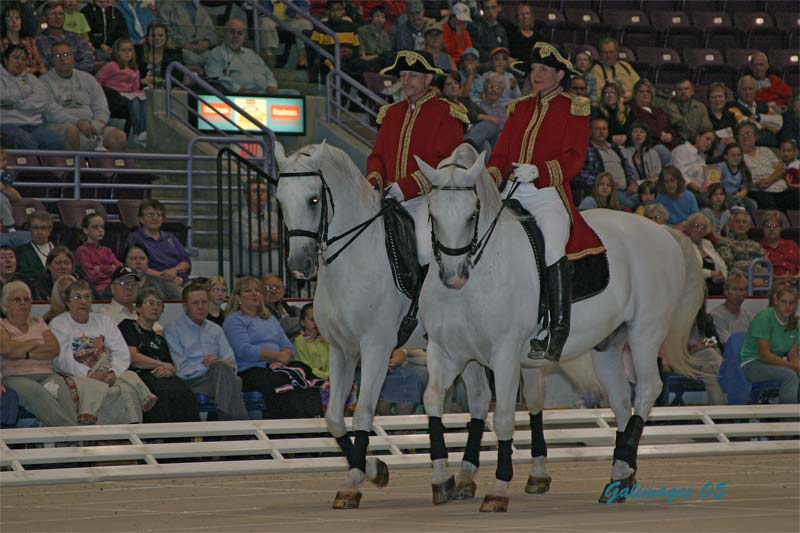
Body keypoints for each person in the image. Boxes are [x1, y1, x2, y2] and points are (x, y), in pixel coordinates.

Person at [487, 41, 600, 363]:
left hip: (547, 193)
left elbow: (574, 158)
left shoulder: (574, 107)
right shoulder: (519, 107)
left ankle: (556, 327)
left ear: (560, 74)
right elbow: (500, 154)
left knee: (552, 245)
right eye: (534, 69)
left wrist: (538, 171)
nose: (536, 75)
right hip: (510, 189)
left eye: (543, 69)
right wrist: (493, 175)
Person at [368, 50, 467, 261]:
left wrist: (405, 187)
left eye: (412, 75)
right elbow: (377, 155)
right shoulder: (391, 112)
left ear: (428, 78)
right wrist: (374, 180)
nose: (405, 81)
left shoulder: (446, 111)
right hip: (387, 197)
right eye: (402, 75)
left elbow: (445, 161)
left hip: (427, 198)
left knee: (424, 251)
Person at [50, 279, 153, 424]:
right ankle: (101, 437)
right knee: (104, 390)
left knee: (127, 386)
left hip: (106, 369)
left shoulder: (104, 321)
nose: (83, 301)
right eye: (77, 297)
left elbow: (121, 351)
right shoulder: (59, 323)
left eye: (87, 296)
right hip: (76, 373)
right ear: (67, 302)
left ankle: (129, 432)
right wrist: (89, 373)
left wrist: (113, 373)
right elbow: (61, 360)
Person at [223, 276, 323, 419]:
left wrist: (283, 358)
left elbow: (287, 345)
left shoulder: (269, 318)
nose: (254, 294)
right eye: (248, 291)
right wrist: (276, 356)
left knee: (304, 369)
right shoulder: (233, 320)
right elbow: (244, 350)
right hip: (251, 370)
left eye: (257, 290)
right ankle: (285, 427)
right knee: (280, 379)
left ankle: (312, 422)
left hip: (277, 365)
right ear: (238, 298)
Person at [164, 283, 248, 421]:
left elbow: (232, 364)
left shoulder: (216, 329)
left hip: (218, 377)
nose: (201, 307)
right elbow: (181, 369)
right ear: (185, 306)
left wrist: (217, 363)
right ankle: (237, 427)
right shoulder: (173, 330)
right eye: (195, 303)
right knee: (233, 381)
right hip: (191, 382)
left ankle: (229, 427)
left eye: (204, 302)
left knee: (224, 372)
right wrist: (207, 365)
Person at [0, 281, 77, 427]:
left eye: (26, 299)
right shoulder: (2, 325)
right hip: (15, 376)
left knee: (64, 395)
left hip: (47, 373)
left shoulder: (38, 322)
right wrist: (36, 342)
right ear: (5, 306)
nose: (23, 303)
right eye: (17, 300)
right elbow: (6, 350)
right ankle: (72, 436)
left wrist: (23, 351)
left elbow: (54, 349)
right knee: (38, 393)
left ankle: (68, 439)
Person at [119, 288, 200, 423]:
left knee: (184, 391)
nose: (155, 307)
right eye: (150, 303)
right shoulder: (128, 326)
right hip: (139, 375)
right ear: (138, 308)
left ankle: (186, 437)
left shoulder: (159, 338)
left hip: (161, 376)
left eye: (159, 304)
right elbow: (133, 358)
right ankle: (161, 436)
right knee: (165, 391)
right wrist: (162, 365)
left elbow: (172, 366)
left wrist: (168, 371)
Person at [42, 42, 128, 152]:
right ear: (52, 60)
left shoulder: (87, 78)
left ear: (72, 57)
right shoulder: (44, 82)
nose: (62, 59)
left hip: (90, 125)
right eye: (57, 56)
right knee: (72, 132)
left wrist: (98, 123)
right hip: (61, 125)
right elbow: (51, 112)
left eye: (65, 54)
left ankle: (107, 168)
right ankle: (75, 168)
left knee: (119, 137)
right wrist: (77, 122)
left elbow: (101, 106)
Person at [0, 45, 73, 150]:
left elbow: (42, 101)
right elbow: (3, 97)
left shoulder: (32, 79)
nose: (20, 62)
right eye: (16, 58)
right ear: (6, 60)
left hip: (32, 125)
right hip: (6, 125)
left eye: (23, 59)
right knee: (28, 143)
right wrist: (27, 94)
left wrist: (17, 104)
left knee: (58, 142)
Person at [739, 282, 798, 404]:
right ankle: (788, 420)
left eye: (791, 303)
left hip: (774, 363)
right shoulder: (764, 318)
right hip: (752, 364)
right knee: (790, 376)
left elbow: (793, 355)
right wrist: (795, 367)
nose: (788, 307)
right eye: (784, 301)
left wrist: (797, 366)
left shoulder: (796, 324)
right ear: (776, 300)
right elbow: (765, 355)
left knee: (795, 373)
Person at [205, 18, 282, 95]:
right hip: (239, 95)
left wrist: (272, 85)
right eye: (232, 32)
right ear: (225, 33)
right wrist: (238, 90)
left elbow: (268, 73)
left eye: (240, 33)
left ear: (244, 36)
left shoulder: (251, 53)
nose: (236, 36)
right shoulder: (217, 53)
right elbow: (215, 77)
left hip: (265, 93)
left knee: (292, 93)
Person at [125, 199, 191, 285]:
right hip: (153, 281)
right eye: (149, 215)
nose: (154, 218)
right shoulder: (135, 238)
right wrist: (164, 277)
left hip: (181, 280)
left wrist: (175, 270)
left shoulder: (170, 237)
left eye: (158, 215)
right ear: (141, 219)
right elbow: (134, 266)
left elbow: (186, 262)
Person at [95, 37, 147, 146]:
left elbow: (135, 87)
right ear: (117, 52)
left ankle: (143, 131)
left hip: (129, 94)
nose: (127, 53)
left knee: (143, 101)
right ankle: (137, 132)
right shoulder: (111, 66)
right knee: (135, 102)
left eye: (130, 50)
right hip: (115, 96)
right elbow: (97, 80)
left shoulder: (134, 69)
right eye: (123, 50)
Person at [576, 116, 637, 205]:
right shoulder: (586, 150)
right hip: (605, 193)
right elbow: (581, 175)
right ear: (590, 132)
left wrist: (632, 184)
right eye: (597, 129)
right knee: (630, 204)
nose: (601, 132)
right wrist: (607, 184)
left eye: (604, 129)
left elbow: (629, 170)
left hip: (627, 191)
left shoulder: (615, 148)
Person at [738, 121, 795, 211]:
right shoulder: (736, 155)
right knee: (768, 204)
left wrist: (770, 180)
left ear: (756, 137)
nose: (744, 136)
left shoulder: (765, 150)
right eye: (741, 134)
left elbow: (780, 168)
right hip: (757, 190)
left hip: (780, 187)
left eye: (748, 133)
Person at [231, 180, 280, 278]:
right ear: (246, 195)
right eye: (255, 191)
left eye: (263, 191)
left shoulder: (275, 217)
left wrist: (266, 236)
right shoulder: (239, 217)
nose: (260, 194)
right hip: (249, 279)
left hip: (275, 279)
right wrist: (278, 242)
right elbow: (254, 245)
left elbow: (286, 240)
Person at [681, 303, 727, 405]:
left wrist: (711, 343)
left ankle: (720, 414)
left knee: (709, 370)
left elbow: (716, 342)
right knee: (711, 354)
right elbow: (674, 353)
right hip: (683, 361)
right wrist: (696, 348)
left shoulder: (706, 319)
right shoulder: (675, 320)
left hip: (706, 361)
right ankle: (729, 377)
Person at [35, 1, 94, 72]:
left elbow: (88, 63)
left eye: (61, 14)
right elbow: (45, 68)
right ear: (44, 18)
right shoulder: (38, 41)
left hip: (79, 78)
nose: (58, 17)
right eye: (53, 14)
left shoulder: (76, 37)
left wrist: (65, 67)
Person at [628, 79, 675, 164]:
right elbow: (639, 127)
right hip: (649, 145)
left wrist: (670, 135)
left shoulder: (659, 111)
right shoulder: (633, 110)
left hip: (667, 143)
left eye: (648, 91)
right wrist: (659, 134)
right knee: (663, 151)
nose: (645, 94)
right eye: (641, 91)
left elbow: (670, 127)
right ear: (636, 94)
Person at [74, 213, 121, 298]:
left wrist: (101, 268)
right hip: (97, 291)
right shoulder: (82, 251)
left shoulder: (107, 250)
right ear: (85, 230)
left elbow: (120, 270)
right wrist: (111, 268)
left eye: (102, 227)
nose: (100, 230)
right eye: (95, 227)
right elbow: (92, 277)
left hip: (114, 286)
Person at [157, 0, 216, 68]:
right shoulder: (166, 7)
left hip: (205, 53)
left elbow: (212, 32)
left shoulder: (200, 9)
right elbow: (165, 32)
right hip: (180, 53)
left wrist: (207, 42)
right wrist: (185, 44)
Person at [729, 75, 782, 148]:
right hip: (747, 148)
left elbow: (778, 123)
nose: (747, 92)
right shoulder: (731, 108)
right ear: (739, 91)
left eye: (750, 89)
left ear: (755, 90)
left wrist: (758, 118)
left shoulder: (764, 106)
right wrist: (766, 123)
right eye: (744, 89)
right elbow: (745, 129)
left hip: (772, 146)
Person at [716, 206, 769, 277]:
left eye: (744, 222)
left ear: (748, 226)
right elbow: (730, 266)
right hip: (736, 282)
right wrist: (755, 271)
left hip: (759, 281)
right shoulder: (724, 243)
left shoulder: (756, 245)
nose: (741, 225)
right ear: (730, 225)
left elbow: (767, 265)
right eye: (737, 221)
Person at [671, 129, 716, 207]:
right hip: (683, 189)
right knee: (709, 200)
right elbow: (679, 174)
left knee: (725, 195)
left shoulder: (702, 157)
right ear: (698, 137)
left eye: (711, 142)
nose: (709, 143)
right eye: (707, 139)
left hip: (699, 189)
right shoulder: (683, 149)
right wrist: (697, 188)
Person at [686, 212, 727, 295]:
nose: (699, 229)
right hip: (694, 287)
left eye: (703, 227)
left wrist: (722, 275)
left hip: (715, 284)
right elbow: (689, 270)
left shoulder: (707, 243)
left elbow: (722, 264)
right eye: (696, 226)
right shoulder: (685, 244)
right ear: (690, 227)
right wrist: (710, 274)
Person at [0, 1, 46, 75]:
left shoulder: (30, 41)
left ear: (22, 21)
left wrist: (38, 70)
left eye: (17, 18)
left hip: (33, 80)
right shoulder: (1, 44)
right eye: (9, 19)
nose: (14, 21)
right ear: (4, 23)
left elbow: (40, 65)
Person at [589, 37, 639, 103]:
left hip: (633, 102)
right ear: (600, 54)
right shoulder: (596, 70)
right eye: (605, 52)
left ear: (617, 53)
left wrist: (630, 96)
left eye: (611, 52)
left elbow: (639, 86)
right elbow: (599, 96)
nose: (608, 55)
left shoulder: (625, 65)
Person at [14, 210, 56, 288]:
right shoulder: (21, 252)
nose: (39, 232)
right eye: (35, 228)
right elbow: (25, 275)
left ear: (50, 230)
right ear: (30, 229)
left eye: (43, 228)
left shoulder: (61, 249)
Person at [664, 79, 713, 145]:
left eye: (686, 89)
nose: (683, 91)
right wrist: (697, 139)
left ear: (692, 91)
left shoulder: (701, 106)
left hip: (699, 143)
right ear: (675, 92)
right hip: (678, 142)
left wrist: (705, 139)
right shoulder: (670, 104)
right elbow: (680, 125)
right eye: (679, 89)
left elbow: (707, 128)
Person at [710, 271, 753, 345]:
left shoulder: (749, 316)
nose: (739, 293)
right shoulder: (716, 316)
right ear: (726, 292)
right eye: (734, 289)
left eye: (742, 290)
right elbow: (728, 344)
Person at [136, 21, 183, 89]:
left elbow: (177, 80)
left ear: (166, 37)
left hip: (166, 93)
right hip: (140, 91)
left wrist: (161, 82)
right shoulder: (138, 53)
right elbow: (129, 78)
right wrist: (142, 81)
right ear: (147, 38)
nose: (157, 38)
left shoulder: (175, 54)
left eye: (160, 35)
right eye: (153, 35)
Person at [759, 210, 799, 282]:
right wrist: (779, 279)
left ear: (781, 228)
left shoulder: (791, 244)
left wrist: (797, 277)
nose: (771, 229)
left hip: (796, 283)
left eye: (775, 226)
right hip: (772, 285)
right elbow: (759, 273)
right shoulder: (758, 248)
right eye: (768, 226)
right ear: (763, 228)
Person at [718, 142, 758, 215]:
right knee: (737, 205)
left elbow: (745, 186)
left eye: (739, 155)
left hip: (736, 195)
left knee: (753, 205)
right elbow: (717, 186)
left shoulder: (743, 168)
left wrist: (741, 193)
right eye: (733, 155)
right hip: (723, 195)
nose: (736, 158)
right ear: (726, 156)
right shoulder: (721, 167)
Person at [260, 273, 300, 339]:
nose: (273, 291)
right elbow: (282, 328)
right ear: (261, 290)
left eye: (277, 287)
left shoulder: (292, 309)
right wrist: (304, 321)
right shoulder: (259, 310)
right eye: (268, 288)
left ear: (283, 290)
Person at [468, 0, 508, 65]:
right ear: (482, 9)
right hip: (483, 64)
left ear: (499, 8)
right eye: (487, 8)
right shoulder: (475, 27)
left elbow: (505, 49)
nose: (490, 12)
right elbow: (478, 52)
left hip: (499, 64)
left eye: (493, 7)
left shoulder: (501, 29)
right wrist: (497, 59)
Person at [357, 5, 392, 71]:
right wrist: (379, 57)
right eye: (376, 16)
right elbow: (362, 57)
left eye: (383, 17)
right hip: (366, 63)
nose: (379, 19)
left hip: (381, 63)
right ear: (371, 17)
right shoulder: (362, 31)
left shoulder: (385, 35)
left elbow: (388, 55)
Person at [593, 81, 628, 146]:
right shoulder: (597, 112)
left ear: (618, 96)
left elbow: (632, 129)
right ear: (602, 97)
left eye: (613, 93)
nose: (609, 96)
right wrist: (611, 138)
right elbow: (595, 132)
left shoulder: (626, 110)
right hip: (604, 144)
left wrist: (626, 137)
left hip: (625, 144)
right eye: (606, 94)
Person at [441, 2, 473, 67]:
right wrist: (458, 37)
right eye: (460, 19)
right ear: (453, 16)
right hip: (448, 64)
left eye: (465, 20)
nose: (463, 22)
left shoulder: (465, 32)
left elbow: (469, 50)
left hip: (464, 63)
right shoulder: (442, 30)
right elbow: (446, 51)